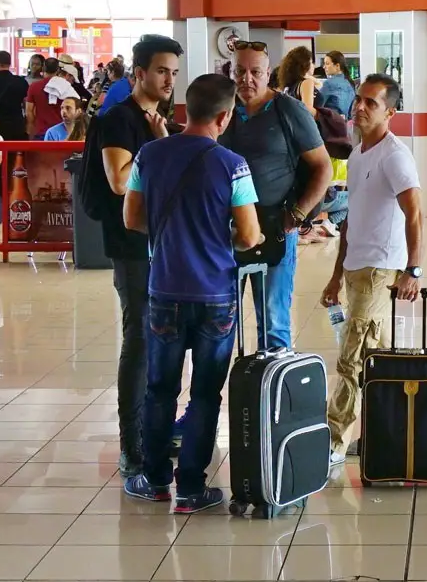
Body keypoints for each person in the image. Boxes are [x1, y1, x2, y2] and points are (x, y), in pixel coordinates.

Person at [121, 73, 262, 514]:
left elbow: (132, 218)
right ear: (223, 116)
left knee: (159, 390)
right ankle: (193, 489)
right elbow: (250, 233)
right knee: (205, 393)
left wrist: (172, 234)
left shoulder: (149, 154)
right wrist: (220, 239)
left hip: (163, 289)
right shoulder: (233, 164)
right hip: (216, 294)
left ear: (185, 109)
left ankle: (155, 480)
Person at [319, 74, 423, 466]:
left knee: (353, 358)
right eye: (359, 100)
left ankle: (334, 443)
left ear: (391, 112)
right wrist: (335, 275)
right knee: (371, 361)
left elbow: (415, 213)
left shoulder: (395, 155)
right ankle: (379, 436)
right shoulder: (360, 152)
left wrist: (413, 269)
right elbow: (352, 221)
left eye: (371, 103)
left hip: (381, 271)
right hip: (356, 269)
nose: (359, 107)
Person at [96, 34, 183, 479]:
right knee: (141, 340)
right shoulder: (119, 120)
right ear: (139, 73)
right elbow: (119, 181)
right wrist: (158, 144)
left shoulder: (155, 119)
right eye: (162, 71)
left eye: (173, 72)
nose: (169, 80)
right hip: (132, 245)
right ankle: (131, 441)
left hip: (161, 243)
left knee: (163, 340)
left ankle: (155, 431)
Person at [220, 40, 333, 350]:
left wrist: (296, 215)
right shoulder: (223, 109)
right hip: (223, 232)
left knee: (272, 320)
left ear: (268, 73)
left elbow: (323, 168)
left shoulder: (289, 110)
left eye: (255, 71)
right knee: (218, 320)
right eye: (239, 71)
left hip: (273, 229)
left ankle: (272, 394)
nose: (247, 79)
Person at [25, 58, 66, 140]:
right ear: (58, 70)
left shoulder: (34, 87)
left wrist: (32, 127)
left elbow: (29, 111)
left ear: (43, 68)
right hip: (61, 132)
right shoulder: (65, 86)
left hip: (40, 131)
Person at [277, 46, 319, 115]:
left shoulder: (290, 85)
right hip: (312, 124)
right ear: (304, 64)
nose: (314, 65)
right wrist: (327, 115)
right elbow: (308, 110)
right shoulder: (307, 83)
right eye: (311, 62)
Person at [320, 51, 356, 119]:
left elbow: (317, 105)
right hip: (345, 125)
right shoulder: (350, 83)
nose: (324, 67)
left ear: (337, 66)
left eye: (327, 64)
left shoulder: (329, 83)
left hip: (330, 123)